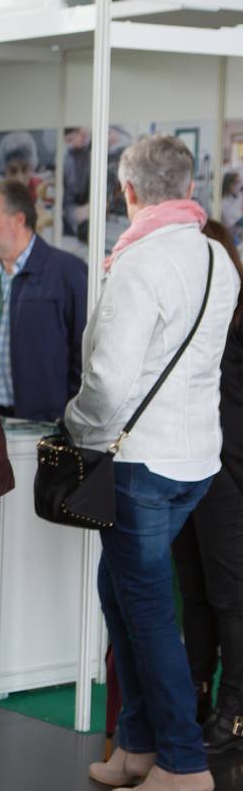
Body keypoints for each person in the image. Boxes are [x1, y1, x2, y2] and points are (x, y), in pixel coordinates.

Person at [70, 135, 239, 791]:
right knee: (118, 592)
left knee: (145, 614)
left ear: (128, 189)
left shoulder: (138, 262)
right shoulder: (215, 259)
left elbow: (108, 379)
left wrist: (77, 430)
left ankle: (179, 762)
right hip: (195, 459)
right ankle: (137, 745)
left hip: (138, 460)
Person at [172, 219, 243, 755]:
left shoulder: (237, 320)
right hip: (186, 466)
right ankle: (197, 693)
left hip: (226, 477)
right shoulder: (187, 320)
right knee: (193, 592)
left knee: (228, 597)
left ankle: (235, 711)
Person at [0, 179, 88, 421]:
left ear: (19, 219)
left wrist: (70, 416)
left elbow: (84, 353)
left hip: (46, 425)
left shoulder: (68, 272)